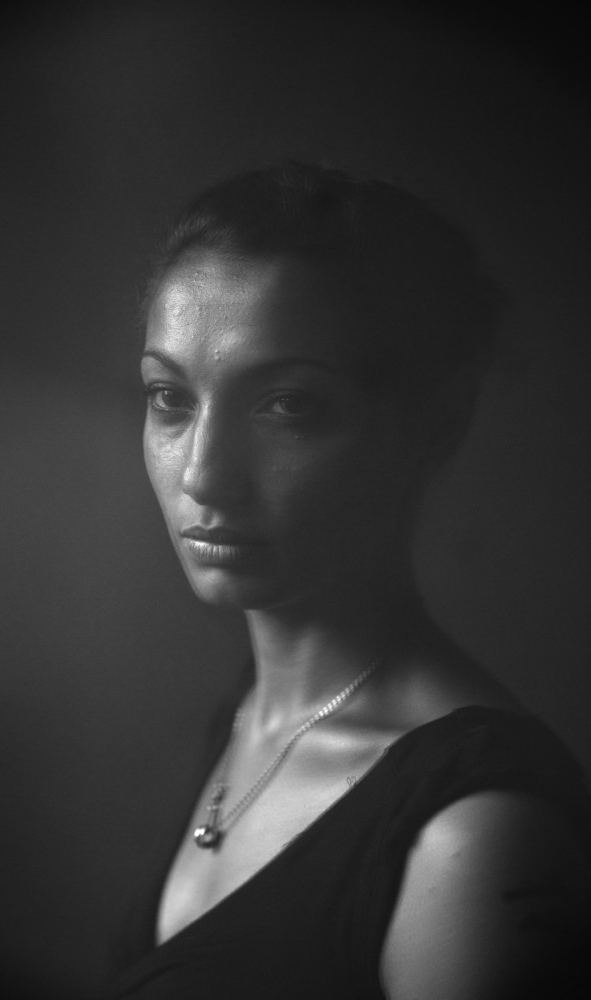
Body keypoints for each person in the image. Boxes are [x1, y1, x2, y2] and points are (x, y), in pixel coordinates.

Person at [110, 163, 591, 998]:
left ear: (436, 422)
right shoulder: (250, 716)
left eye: (287, 405)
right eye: (170, 398)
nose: (203, 474)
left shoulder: (475, 833)